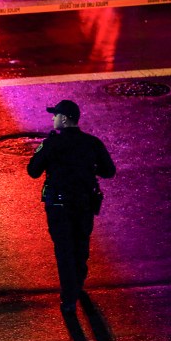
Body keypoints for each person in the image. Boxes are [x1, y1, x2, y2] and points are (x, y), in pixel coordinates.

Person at [27, 100, 116, 313]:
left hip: (58, 204)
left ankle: (69, 298)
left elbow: (33, 171)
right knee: (80, 244)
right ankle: (78, 283)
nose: (52, 118)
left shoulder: (52, 144)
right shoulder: (92, 143)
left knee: (63, 249)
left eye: (55, 115)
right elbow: (109, 171)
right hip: (84, 203)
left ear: (64, 118)